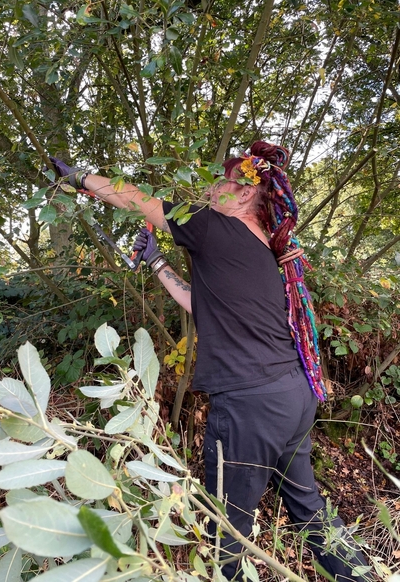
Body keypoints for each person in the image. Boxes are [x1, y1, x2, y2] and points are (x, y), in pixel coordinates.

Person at [49, 142, 370, 581]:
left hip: (250, 407)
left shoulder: (214, 226)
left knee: (225, 532)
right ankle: (366, 575)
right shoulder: (260, 251)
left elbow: (137, 199)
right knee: (307, 506)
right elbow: (203, 306)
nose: (213, 188)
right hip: (292, 398)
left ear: (244, 195)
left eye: (224, 182)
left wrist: (79, 179)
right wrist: (158, 261)